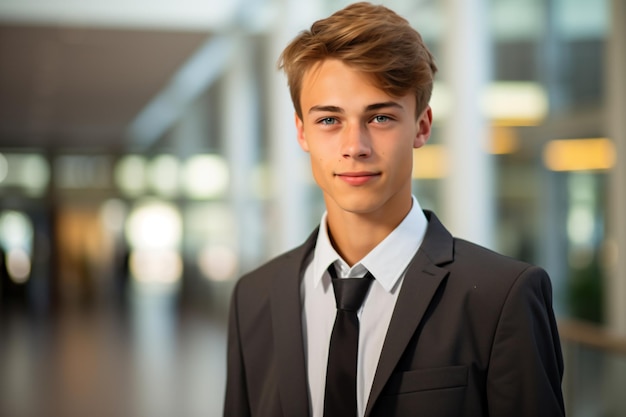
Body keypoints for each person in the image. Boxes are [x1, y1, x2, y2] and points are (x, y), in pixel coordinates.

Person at [224, 2, 565, 417]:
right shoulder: (253, 297)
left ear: (422, 126)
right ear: (301, 132)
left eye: (381, 117)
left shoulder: (501, 296)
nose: (355, 147)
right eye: (330, 120)